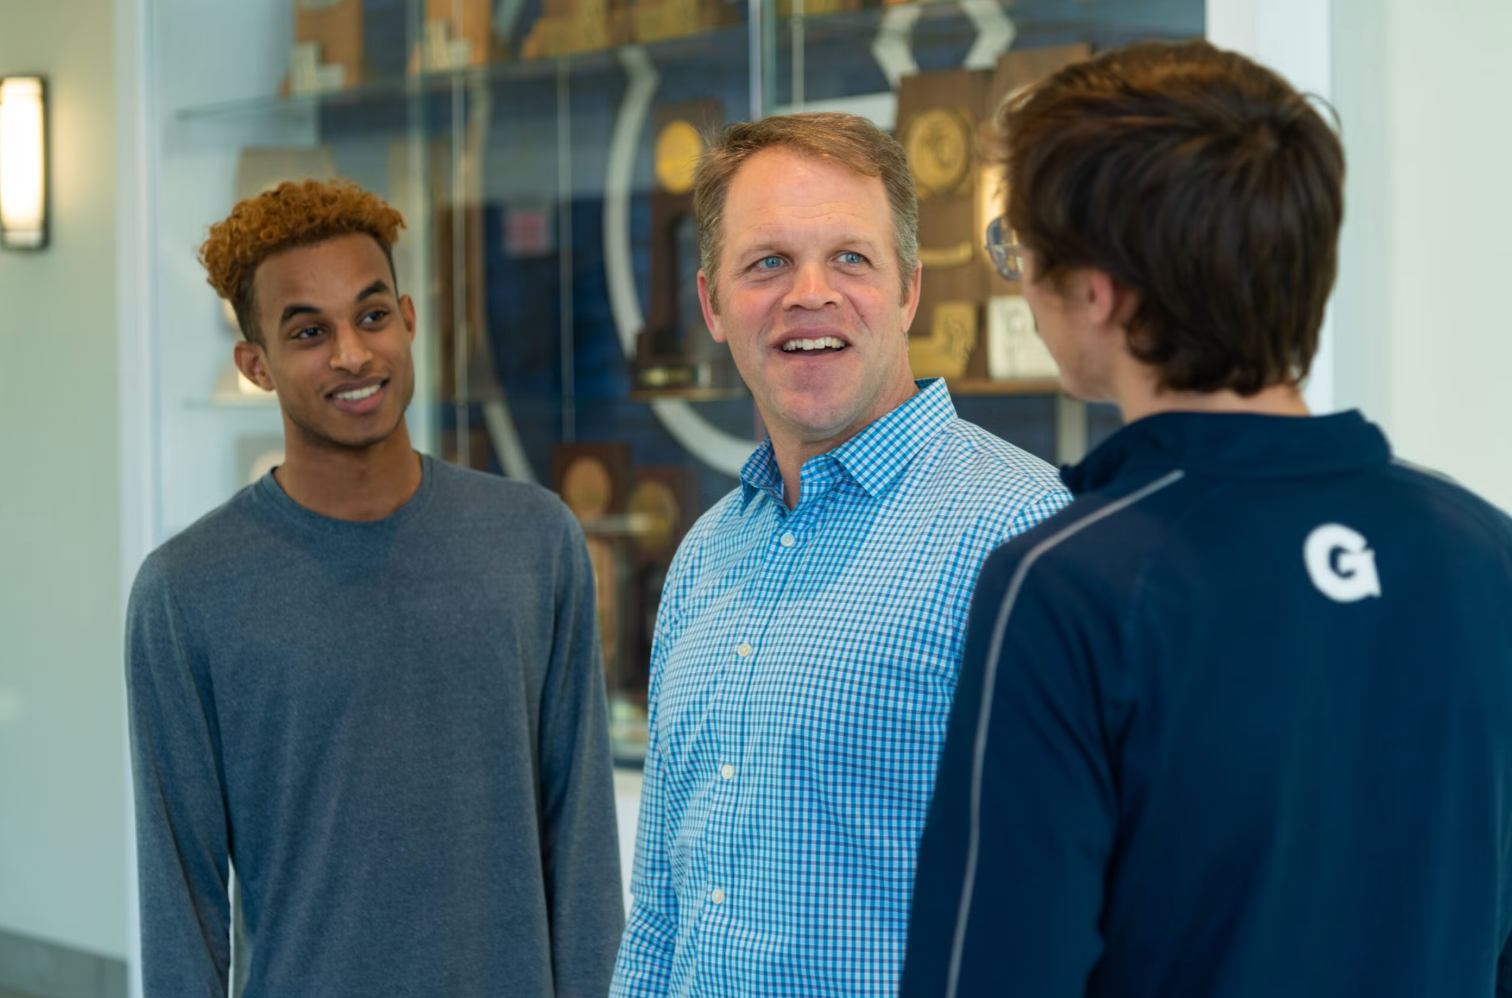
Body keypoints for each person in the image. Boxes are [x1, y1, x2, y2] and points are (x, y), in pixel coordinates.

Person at [902, 40, 1512, 998]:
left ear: (1098, 292)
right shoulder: (1484, 552)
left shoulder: (1065, 584)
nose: (1019, 277)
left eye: (1019, 249)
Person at [609, 112, 1070, 997]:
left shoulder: (1021, 535)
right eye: (768, 263)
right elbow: (663, 910)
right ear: (712, 304)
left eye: (851, 258)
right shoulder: (705, 556)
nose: (809, 294)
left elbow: (1075, 919)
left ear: (909, 292)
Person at [126, 179, 623, 997]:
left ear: (409, 319)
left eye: (372, 315)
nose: (353, 355)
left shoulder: (534, 541)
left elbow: (582, 848)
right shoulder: (186, 593)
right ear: (256, 365)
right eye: (309, 332)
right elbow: (181, 904)